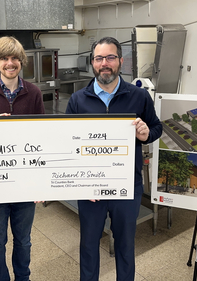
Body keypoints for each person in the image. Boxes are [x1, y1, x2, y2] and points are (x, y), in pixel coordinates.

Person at [65, 36, 162, 281]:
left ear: (120, 61)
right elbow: (67, 143)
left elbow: (156, 127)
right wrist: (79, 182)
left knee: (125, 246)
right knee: (88, 245)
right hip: (91, 187)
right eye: (99, 58)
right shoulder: (78, 100)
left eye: (110, 57)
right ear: (92, 63)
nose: (104, 63)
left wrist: (146, 134)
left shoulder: (139, 96)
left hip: (127, 185)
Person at [0, 36, 45, 281]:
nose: (9, 63)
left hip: (24, 183)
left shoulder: (33, 93)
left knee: (23, 241)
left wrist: (40, 183)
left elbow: (42, 139)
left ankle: (23, 278)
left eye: (14, 58)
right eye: (4, 58)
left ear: (21, 61)